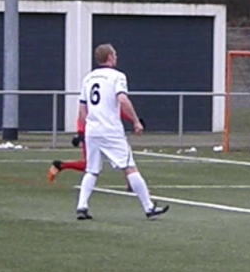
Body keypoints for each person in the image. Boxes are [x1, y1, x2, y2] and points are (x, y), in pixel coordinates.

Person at [72, 43, 168, 221]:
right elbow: (122, 100)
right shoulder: (117, 76)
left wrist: (85, 129)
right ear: (109, 57)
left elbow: (82, 108)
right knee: (130, 167)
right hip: (111, 130)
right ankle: (149, 208)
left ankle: (81, 206)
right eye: (115, 54)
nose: (116, 57)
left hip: (93, 130)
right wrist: (136, 120)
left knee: (92, 170)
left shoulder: (88, 78)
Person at [48, 108, 141, 184]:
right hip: (100, 135)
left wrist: (134, 120)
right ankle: (61, 165)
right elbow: (83, 113)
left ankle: (131, 183)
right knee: (123, 159)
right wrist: (81, 132)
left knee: (123, 159)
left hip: (102, 135)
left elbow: (119, 111)